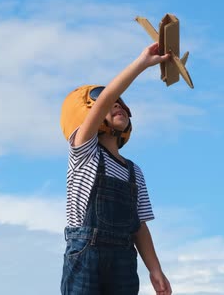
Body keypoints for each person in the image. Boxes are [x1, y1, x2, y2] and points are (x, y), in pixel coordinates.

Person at [59, 42, 172, 295]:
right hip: (86, 253)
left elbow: (139, 225)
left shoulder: (134, 171)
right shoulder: (84, 151)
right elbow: (105, 100)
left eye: (122, 103)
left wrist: (155, 269)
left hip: (123, 257)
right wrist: (142, 63)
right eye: (112, 103)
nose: (118, 105)